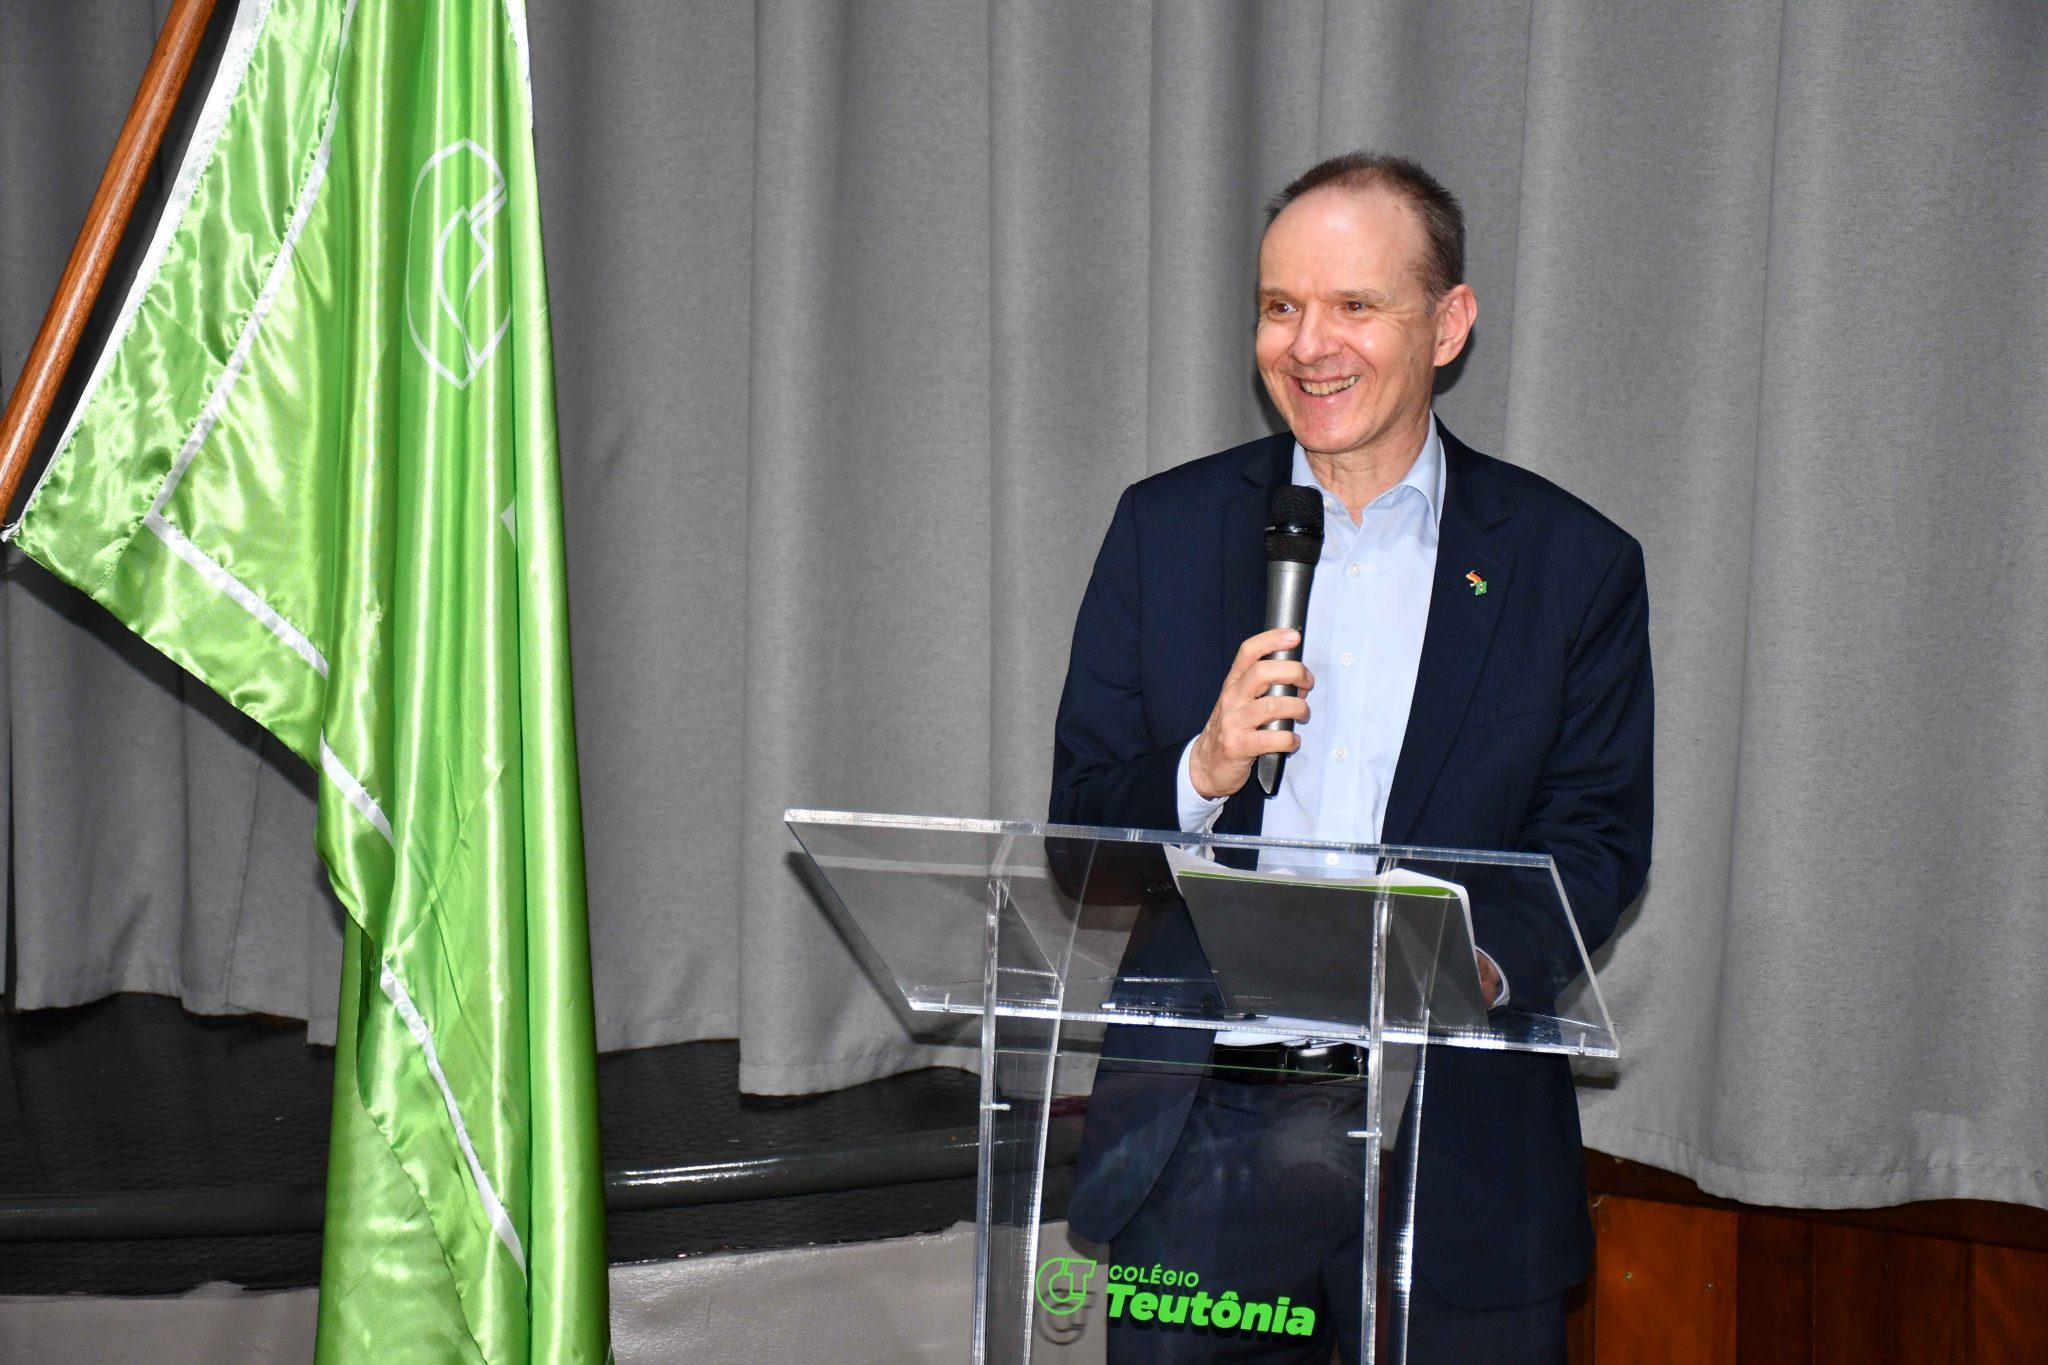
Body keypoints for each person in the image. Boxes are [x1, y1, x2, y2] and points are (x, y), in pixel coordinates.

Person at [1049, 152, 1653, 1364]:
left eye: (1353, 305)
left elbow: (1594, 840)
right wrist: (1201, 768)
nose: (1307, 344)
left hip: (1453, 1143)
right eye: (1279, 306)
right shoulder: (1165, 530)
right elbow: (1079, 837)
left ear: (1448, 324)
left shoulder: (1567, 561)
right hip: (1202, 1144)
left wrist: (1466, 964)